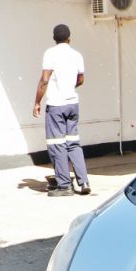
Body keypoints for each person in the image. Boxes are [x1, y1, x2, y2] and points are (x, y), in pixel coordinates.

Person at [33, 24, 90, 196]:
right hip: (73, 104)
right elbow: (81, 80)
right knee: (73, 143)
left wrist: (37, 102)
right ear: (69, 38)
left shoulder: (50, 53)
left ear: (54, 38)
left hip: (56, 106)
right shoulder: (77, 55)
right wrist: (69, 88)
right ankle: (84, 181)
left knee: (57, 145)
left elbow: (44, 80)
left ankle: (64, 186)